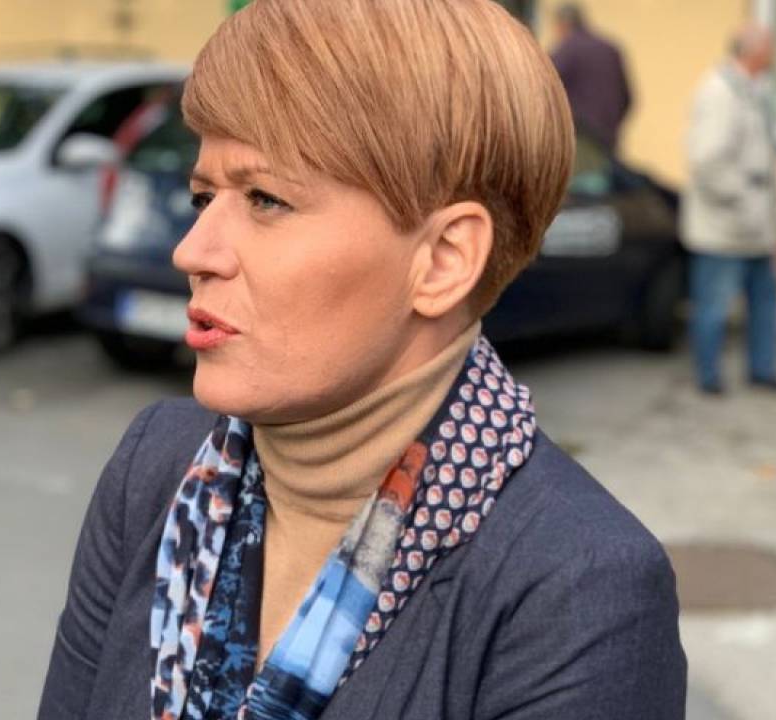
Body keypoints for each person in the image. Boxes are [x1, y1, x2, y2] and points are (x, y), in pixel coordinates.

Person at [40, 1, 686, 718]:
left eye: (266, 199)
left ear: (443, 259)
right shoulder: (153, 470)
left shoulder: (578, 591)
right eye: (203, 196)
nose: (192, 251)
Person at [682, 25, 776, 396]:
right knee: (713, 306)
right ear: (754, 51)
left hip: (755, 227)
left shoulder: (756, 90)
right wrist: (745, 204)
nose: (775, 53)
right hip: (725, 227)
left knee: (766, 301)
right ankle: (708, 378)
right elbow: (707, 163)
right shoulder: (719, 92)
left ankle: (763, 370)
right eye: (771, 46)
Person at [549, 3, 633, 153]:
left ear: (562, 25)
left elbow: (546, 88)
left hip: (580, 139)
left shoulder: (569, 48)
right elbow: (628, 99)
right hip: (608, 141)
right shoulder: (611, 50)